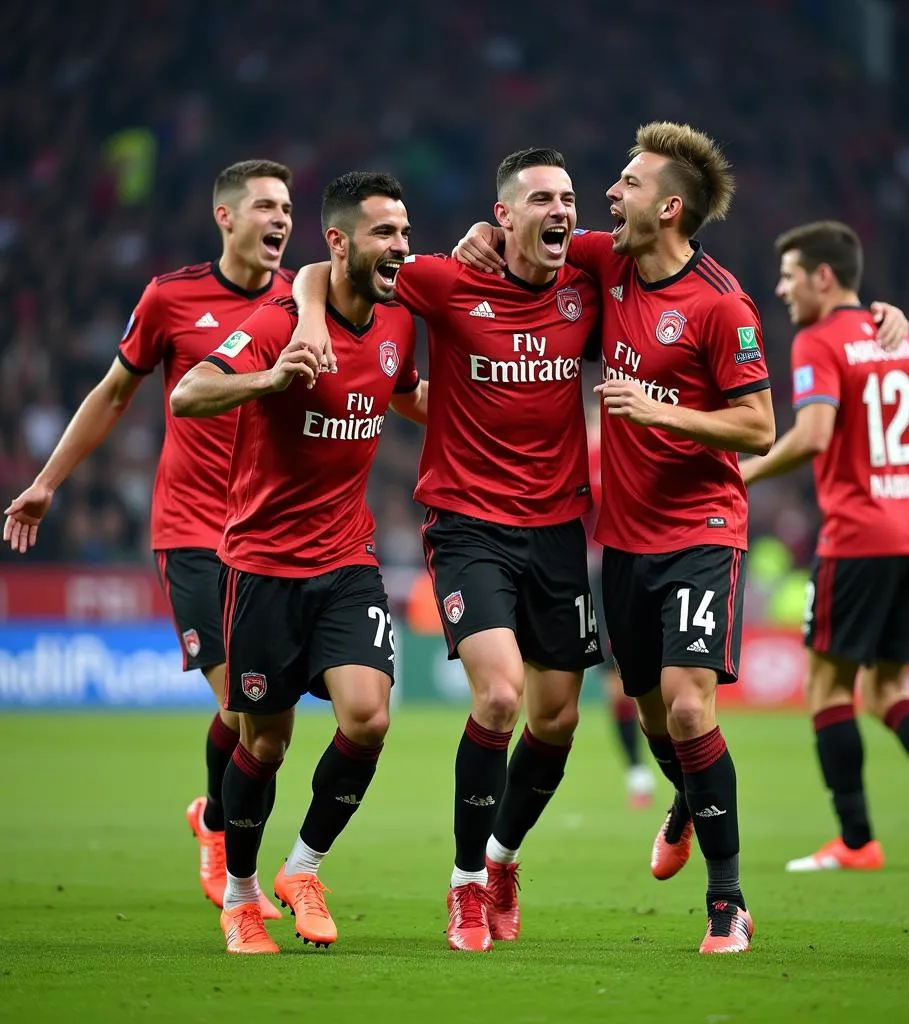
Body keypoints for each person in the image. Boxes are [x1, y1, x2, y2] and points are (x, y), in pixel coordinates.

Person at [455, 124, 909, 955]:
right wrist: (485, 234)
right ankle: (686, 799)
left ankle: (728, 904)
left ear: (668, 206)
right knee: (659, 719)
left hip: (702, 531)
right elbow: (528, 236)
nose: (605, 196)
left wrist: (660, 410)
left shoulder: (722, 303)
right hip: (623, 542)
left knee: (692, 703)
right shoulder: (606, 261)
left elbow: (758, 423)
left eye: (625, 184)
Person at [290, 148, 605, 952]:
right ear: (504, 217)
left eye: (568, 197)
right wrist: (308, 319)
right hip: (468, 526)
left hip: (560, 531)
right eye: (540, 197)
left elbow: (669, 255)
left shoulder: (587, 281)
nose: (560, 209)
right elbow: (328, 268)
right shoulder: (444, 278)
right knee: (499, 698)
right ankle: (466, 889)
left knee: (558, 719)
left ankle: (501, 859)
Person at [2, 159, 296, 918]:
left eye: (288, 207)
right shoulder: (171, 297)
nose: (280, 219)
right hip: (194, 528)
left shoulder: (305, 298)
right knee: (241, 702)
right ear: (225, 217)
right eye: (265, 205)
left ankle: (210, 814)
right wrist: (47, 481)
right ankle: (233, 857)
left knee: (258, 716)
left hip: (269, 532)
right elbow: (113, 393)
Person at [170, 171, 425, 954]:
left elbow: (406, 391)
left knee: (369, 717)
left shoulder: (400, 320)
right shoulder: (278, 322)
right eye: (384, 232)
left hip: (347, 559)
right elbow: (187, 394)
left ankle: (302, 867)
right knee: (265, 743)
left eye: (405, 230)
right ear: (341, 241)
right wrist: (272, 379)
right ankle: (241, 897)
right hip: (262, 564)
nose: (401, 246)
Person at [741, 219, 909, 874]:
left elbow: (814, 435)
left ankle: (857, 841)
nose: (782, 288)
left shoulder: (817, 340)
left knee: (826, 689)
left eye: (791, 276)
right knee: (886, 688)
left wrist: (746, 469)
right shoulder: (902, 340)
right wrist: (891, 463)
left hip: (857, 533)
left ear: (824, 277)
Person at [586, 410, 655, 809]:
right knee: (618, 680)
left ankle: (670, 767)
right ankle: (636, 770)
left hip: (646, 564)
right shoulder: (586, 456)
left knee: (657, 677)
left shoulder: (637, 449)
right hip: (602, 574)